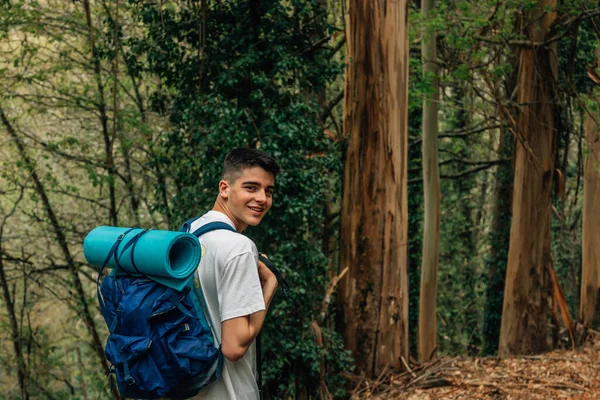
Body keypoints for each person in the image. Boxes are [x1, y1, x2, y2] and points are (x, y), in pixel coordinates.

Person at [187, 148, 280, 400]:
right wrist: (270, 283)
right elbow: (234, 347)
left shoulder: (191, 233)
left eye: (268, 191)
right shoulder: (239, 248)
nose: (262, 198)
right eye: (251, 187)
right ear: (225, 188)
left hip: (189, 390)